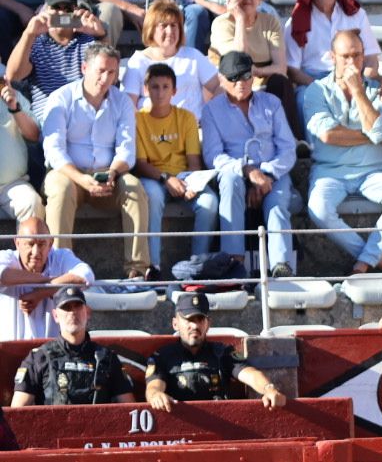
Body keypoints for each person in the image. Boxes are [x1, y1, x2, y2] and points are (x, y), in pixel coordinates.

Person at [301, 29, 382, 275]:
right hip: (329, 171)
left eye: (357, 55)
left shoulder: (378, 89)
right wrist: (371, 136)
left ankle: (364, 262)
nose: (352, 62)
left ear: (364, 57)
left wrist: (358, 92)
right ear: (332, 57)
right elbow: (328, 135)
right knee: (318, 209)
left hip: (372, 172)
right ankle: (368, 256)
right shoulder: (316, 91)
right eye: (345, 56)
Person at [41, 43, 153, 281]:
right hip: (69, 174)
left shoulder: (121, 101)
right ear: (84, 68)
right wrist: (81, 179)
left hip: (107, 175)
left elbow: (127, 150)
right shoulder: (61, 98)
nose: (106, 78)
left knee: (133, 188)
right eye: (101, 70)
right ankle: (61, 269)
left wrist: (112, 173)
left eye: (112, 72)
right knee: (59, 189)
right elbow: (54, 151)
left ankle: (137, 270)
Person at [201, 51, 296, 277]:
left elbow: (288, 148)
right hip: (235, 172)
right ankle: (233, 262)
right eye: (233, 77)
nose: (240, 83)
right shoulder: (211, 110)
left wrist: (266, 176)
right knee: (231, 181)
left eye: (245, 75)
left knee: (276, 203)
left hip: (273, 172)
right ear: (221, 79)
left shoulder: (271, 103)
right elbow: (213, 156)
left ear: (253, 76)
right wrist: (246, 170)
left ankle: (281, 267)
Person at [134, 62, 218, 269]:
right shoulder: (137, 119)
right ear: (145, 90)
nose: (160, 93)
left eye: (165, 87)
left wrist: (193, 185)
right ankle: (153, 266)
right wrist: (166, 178)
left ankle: (198, 266)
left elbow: (193, 161)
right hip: (154, 177)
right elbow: (141, 164)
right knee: (152, 197)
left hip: (183, 176)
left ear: (174, 91)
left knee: (209, 202)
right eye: (154, 87)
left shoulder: (186, 117)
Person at [145, 290, 285, 408]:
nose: (195, 326)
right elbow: (154, 386)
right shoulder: (161, 356)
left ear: (208, 324)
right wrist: (155, 395)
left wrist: (269, 389)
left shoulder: (223, 352)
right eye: (189, 320)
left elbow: (250, 374)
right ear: (175, 324)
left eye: (200, 320)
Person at [9, 285, 132, 405]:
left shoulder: (107, 358)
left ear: (87, 312)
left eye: (77, 306)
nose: (73, 313)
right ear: (55, 316)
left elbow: (129, 409)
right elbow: (18, 413)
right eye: (66, 308)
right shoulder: (38, 358)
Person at [208, 0, 298, 137]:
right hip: (235, 81)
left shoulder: (269, 21)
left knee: (281, 81)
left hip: (264, 78)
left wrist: (256, 71)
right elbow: (237, 61)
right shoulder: (221, 23)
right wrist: (240, 20)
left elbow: (281, 67)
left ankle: (292, 139)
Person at [122, 0, 221, 116]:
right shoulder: (138, 61)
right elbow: (128, 104)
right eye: (163, 26)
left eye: (174, 25)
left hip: (192, 128)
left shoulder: (193, 56)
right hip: (152, 129)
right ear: (151, 29)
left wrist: (211, 114)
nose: (170, 31)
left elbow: (220, 86)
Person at [6, 0, 104, 105]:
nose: (62, 14)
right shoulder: (35, 43)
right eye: (56, 8)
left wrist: (102, 36)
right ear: (46, 10)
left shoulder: (88, 40)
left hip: (81, 113)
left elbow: (108, 77)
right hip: (48, 115)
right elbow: (14, 76)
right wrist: (28, 34)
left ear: (76, 12)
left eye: (67, 9)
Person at [0, 215, 91, 339]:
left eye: (42, 244)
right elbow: (2, 276)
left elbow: (85, 276)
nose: (36, 252)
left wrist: (41, 293)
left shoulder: (61, 256)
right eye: (30, 244)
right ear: (17, 242)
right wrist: (48, 281)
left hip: (53, 353)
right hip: (10, 352)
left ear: (51, 243)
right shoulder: (6, 258)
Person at [285, 0, 378, 87]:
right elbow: (292, 69)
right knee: (304, 100)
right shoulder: (296, 22)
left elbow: (371, 59)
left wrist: (363, 83)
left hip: (354, 77)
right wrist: (322, 88)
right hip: (312, 82)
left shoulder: (357, 15)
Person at [0, 68, 41, 222]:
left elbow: (34, 135)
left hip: (11, 184)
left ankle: (29, 247)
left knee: (31, 203)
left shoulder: (11, 94)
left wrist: (14, 108)